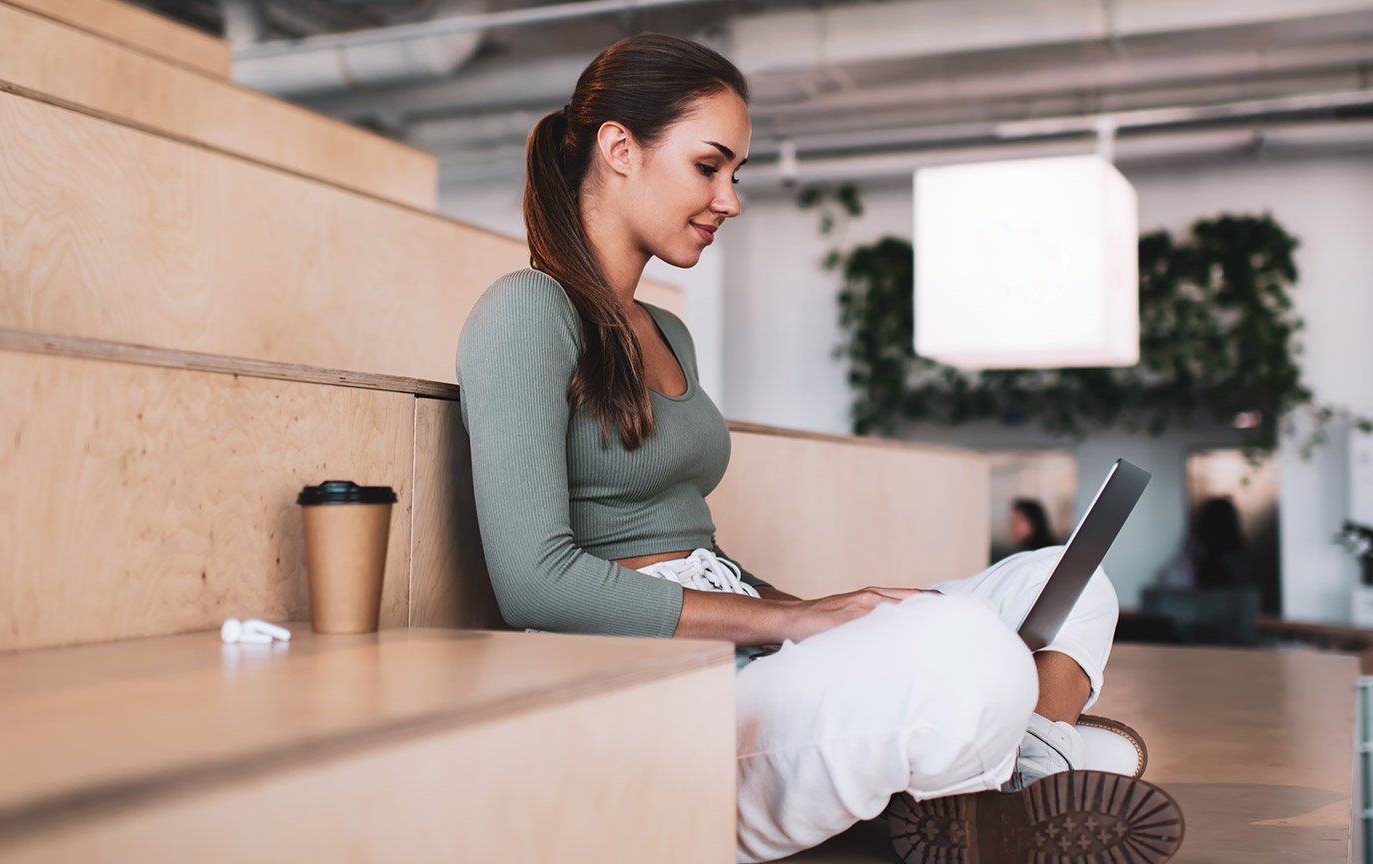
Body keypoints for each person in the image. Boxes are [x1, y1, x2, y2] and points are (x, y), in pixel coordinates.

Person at [455, 33, 1179, 864]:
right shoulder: (525, 311)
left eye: (737, 174)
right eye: (709, 166)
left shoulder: (670, 334)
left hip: (743, 648)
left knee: (1064, 582)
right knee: (970, 652)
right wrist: (796, 621)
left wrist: (826, 619)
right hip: (655, 697)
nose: (729, 199)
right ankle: (1011, 767)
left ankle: (1021, 768)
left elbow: (697, 548)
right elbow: (532, 582)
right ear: (619, 149)